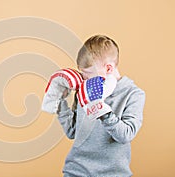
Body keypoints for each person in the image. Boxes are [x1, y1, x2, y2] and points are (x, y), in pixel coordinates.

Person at [56, 35, 146, 176]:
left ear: (108, 68)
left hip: (113, 173)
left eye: (88, 74)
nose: (84, 79)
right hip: (76, 171)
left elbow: (126, 135)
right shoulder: (84, 89)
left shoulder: (133, 94)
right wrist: (60, 102)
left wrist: (102, 111)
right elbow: (72, 132)